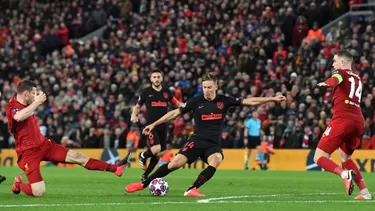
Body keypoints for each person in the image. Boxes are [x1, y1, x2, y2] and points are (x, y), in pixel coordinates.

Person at [125, 72, 286, 197]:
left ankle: (192, 189)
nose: (206, 90)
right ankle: (144, 184)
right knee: (175, 164)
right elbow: (174, 113)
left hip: (213, 143)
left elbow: (250, 101)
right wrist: (153, 124)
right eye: (204, 87)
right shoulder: (196, 101)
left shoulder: (224, 100)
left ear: (216, 87)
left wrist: (272, 98)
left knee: (216, 159)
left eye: (209, 87)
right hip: (197, 140)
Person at [5, 80, 130, 197]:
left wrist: (35, 102)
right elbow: (18, 117)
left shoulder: (28, 104)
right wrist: (37, 102)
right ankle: (18, 184)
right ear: (25, 94)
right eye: (34, 93)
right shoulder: (12, 106)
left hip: (44, 145)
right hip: (28, 153)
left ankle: (115, 168)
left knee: (78, 157)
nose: (36, 96)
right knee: (39, 192)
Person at [314, 50, 372, 200]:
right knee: (345, 157)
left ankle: (344, 174)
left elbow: (336, 79)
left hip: (343, 119)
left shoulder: (341, 73)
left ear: (343, 62)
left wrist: (325, 83)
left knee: (319, 157)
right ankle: (365, 192)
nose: (333, 64)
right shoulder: (358, 78)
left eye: (334, 61)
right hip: (358, 121)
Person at [130, 69, 181, 182]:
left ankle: (146, 174)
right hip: (151, 126)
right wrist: (133, 115)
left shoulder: (167, 92)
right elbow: (138, 106)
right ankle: (143, 155)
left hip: (163, 126)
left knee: (160, 153)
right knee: (156, 148)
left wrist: (187, 106)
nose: (157, 79)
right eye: (154, 77)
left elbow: (176, 104)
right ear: (151, 79)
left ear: (161, 78)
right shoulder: (146, 92)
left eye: (158, 77)